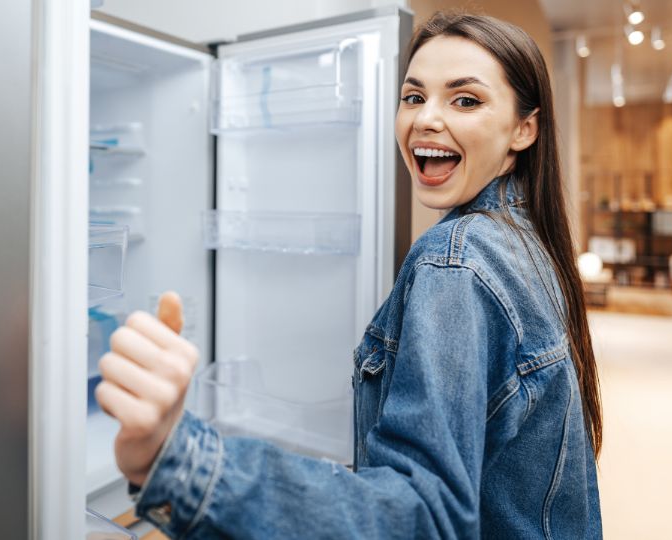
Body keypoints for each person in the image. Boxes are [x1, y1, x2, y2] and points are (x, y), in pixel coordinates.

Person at [94, 12, 602, 539]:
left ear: (525, 128)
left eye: (465, 100)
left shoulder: (457, 261)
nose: (426, 119)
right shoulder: (523, 238)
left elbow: (423, 520)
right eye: (413, 96)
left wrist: (176, 459)